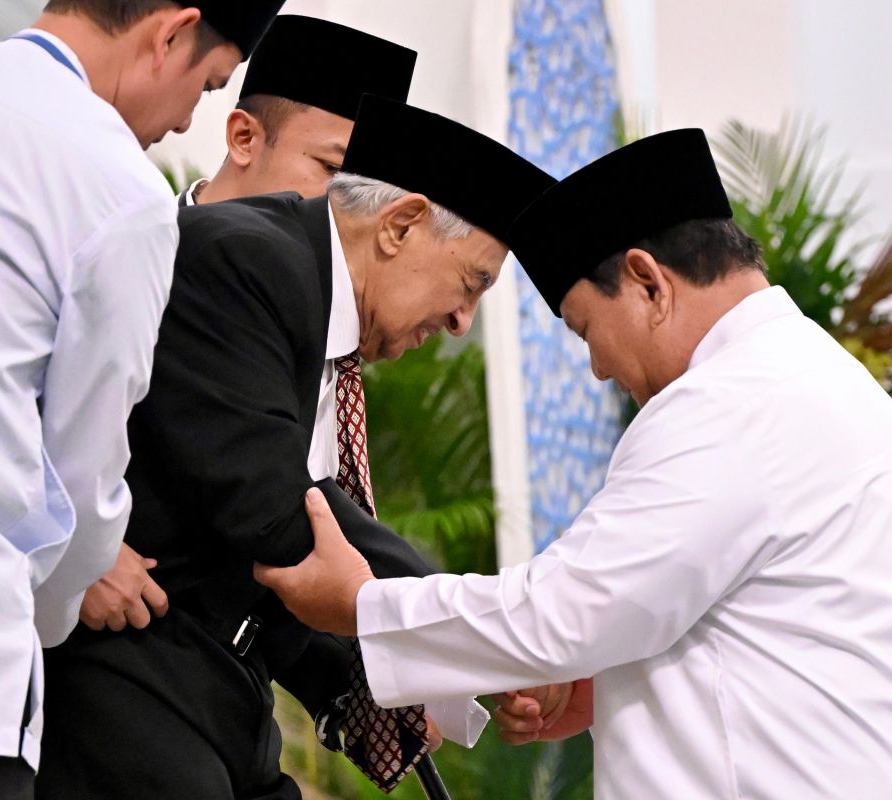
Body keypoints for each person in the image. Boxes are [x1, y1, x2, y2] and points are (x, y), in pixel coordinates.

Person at [256, 129, 892, 799]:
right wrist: (615, 678)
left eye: (587, 330)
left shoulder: (729, 401)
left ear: (649, 282)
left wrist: (363, 606)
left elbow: (563, 613)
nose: (598, 369)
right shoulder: (807, 378)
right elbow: (760, 625)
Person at [38, 94, 555, 800]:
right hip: (131, 680)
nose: (463, 321)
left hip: (227, 697)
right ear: (400, 225)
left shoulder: (318, 308)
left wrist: (415, 678)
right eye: (472, 283)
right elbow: (276, 512)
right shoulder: (247, 259)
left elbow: (284, 558)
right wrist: (483, 636)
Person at [0, 1, 283, 797]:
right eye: (208, 87)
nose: (185, 123)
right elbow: (84, 477)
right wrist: (55, 610)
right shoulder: (119, 190)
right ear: (171, 33)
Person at [80, 11, 417, 642]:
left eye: (367, 194)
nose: (347, 211)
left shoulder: (329, 330)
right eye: (332, 174)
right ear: (243, 138)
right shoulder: (119, 239)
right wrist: (71, 543)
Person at [175, 13, 418, 207]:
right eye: (332, 168)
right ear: (244, 138)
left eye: (365, 186)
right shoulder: (158, 237)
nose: (349, 203)